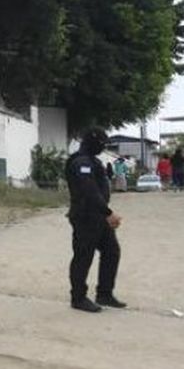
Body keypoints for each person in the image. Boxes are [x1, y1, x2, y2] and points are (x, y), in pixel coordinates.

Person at [66, 128, 124, 313]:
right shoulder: (81, 162)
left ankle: (105, 294)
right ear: (92, 142)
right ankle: (78, 298)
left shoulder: (94, 161)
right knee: (83, 256)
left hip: (98, 217)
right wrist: (108, 212)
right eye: (101, 144)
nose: (103, 147)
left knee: (112, 251)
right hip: (85, 217)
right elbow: (89, 191)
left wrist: (104, 214)